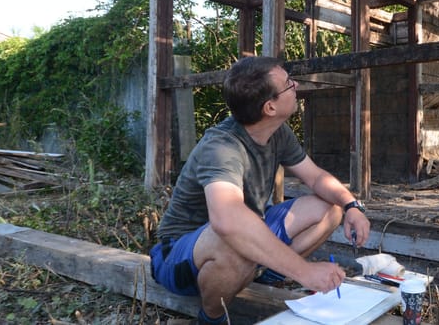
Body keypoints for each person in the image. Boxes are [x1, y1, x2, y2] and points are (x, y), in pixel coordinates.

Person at [149, 56, 370, 324]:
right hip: (178, 256)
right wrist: (304, 272)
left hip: (243, 235)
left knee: (329, 206)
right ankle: (211, 318)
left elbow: (316, 178)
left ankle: (261, 272)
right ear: (270, 107)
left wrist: (351, 206)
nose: (296, 85)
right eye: (289, 84)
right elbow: (227, 221)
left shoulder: (278, 132)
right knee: (233, 240)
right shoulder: (221, 147)